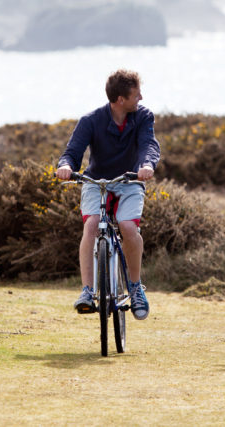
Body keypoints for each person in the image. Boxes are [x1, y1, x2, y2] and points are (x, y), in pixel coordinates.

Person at [56, 69, 160, 320]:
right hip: (96, 181)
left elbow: (149, 144)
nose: (141, 98)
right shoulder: (90, 120)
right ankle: (87, 291)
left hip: (130, 181)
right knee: (91, 225)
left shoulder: (143, 116)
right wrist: (66, 166)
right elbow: (72, 152)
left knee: (127, 226)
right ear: (120, 100)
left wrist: (147, 165)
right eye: (136, 95)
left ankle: (135, 287)